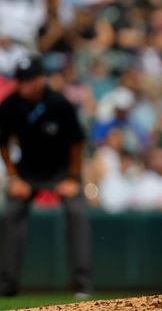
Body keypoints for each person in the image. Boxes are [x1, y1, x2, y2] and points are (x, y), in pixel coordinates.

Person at [0, 56, 92, 297]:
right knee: (12, 213)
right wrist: (12, 177)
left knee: (77, 212)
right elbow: (2, 143)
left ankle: (82, 283)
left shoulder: (58, 103)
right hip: (27, 171)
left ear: (40, 80)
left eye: (27, 80)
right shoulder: (10, 105)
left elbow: (77, 143)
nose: (21, 85)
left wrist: (72, 177)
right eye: (19, 80)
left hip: (62, 170)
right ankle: (6, 284)